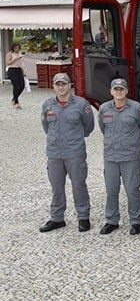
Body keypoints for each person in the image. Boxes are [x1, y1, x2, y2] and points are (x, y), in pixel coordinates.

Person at [39, 72, 95, 233]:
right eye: (58, 84)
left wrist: (74, 138)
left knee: (78, 185)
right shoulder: (47, 105)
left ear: (70, 85)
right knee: (56, 186)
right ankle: (57, 218)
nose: (61, 87)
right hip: (54, 153)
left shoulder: (81, 104)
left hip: (74, 152)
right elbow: (46, 126)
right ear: (54, 86)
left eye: (64, 84)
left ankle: (83, 217)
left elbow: (88, 126)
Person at [97, 78, 140, 235]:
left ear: (127, 91)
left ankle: (136, 221)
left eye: (122, 89)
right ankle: (112, 221)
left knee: (132, 189)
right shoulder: (104, 108)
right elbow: (102, 128)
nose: (119, 92)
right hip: (111, 157)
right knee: (111, 190)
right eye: (116, 89)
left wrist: (131, 144)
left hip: (130, 157)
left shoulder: (136, 108)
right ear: (111, 91)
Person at [6, 42, 26, 110]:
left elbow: (21, 63)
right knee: (16, 85)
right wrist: (15, 59)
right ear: (13, 48)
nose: (17, 49)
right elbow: (8, 63)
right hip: (12, 70)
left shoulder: (19, 53)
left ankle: (14, 98)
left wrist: (23, 71)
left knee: (22, 85)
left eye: (18, 48)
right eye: (15, 48)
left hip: (19, 69)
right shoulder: (10, 53)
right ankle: (16, 102)